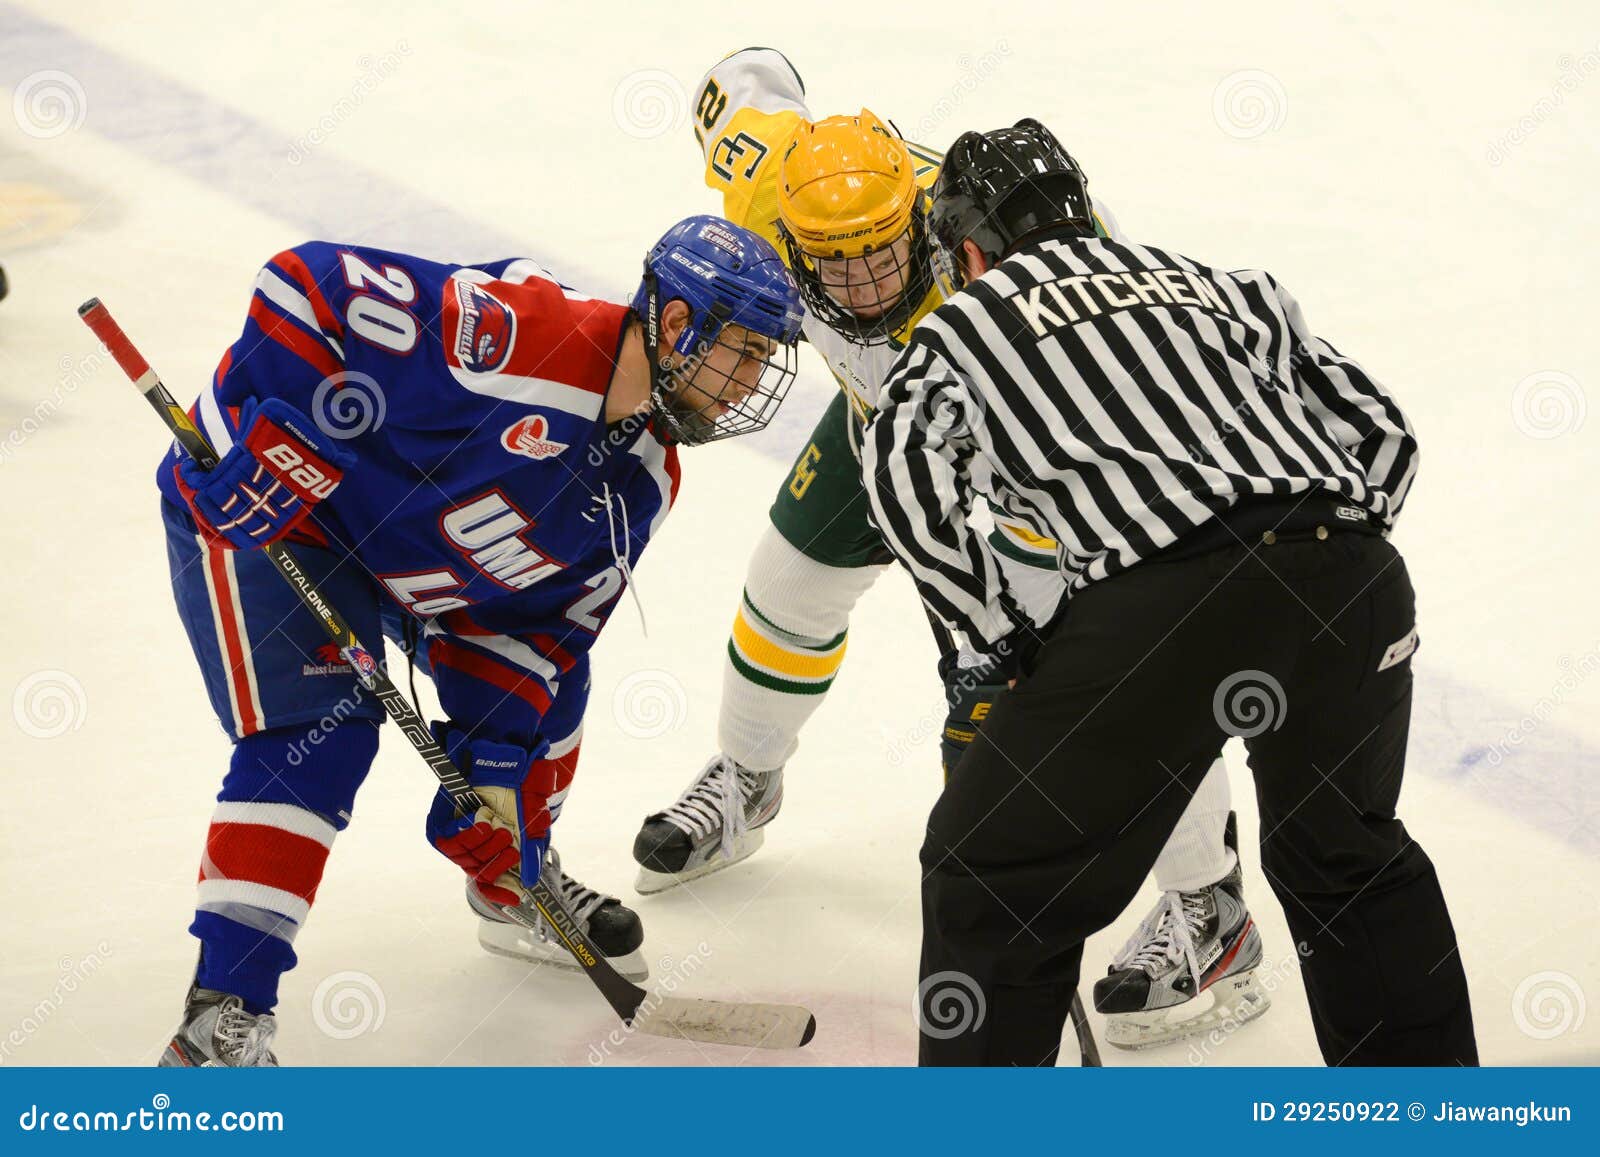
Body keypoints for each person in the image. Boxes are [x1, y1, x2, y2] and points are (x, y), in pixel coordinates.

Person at [631, 47, 1268, 1047]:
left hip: (1044, 451)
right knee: (788, 583)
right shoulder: (770, 181)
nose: (863, 281)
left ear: (924, 225)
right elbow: (748, 76)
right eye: (832, 262)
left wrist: (998, 610)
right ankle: (747, 780)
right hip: (886, 422)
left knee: (1108, 682)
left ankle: (1211, 906)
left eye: (883, 253)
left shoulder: (1012, 256)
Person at [864, 119, 1478, 1066]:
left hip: (1166, 605)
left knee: (992, 878)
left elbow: (905, 480)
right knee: (1348, 860)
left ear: (972, 249)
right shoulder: (1224, 285)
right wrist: (1324, 567)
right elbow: (1381, 429)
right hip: (1353, 578)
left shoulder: (964, 324)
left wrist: (1002, 643)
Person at [155, 216, 804, 1066]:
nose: (749, 383)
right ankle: (221, 1017)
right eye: (744, 353)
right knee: (319, 738)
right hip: (269, 511)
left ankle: (512, 882)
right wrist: (277, 440)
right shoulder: (524, 337)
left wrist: (492, 777)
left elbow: (537, 636)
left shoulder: (644, 480)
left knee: (552, 706)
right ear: (679, 327)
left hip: (411, 562)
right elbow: (305, 286)